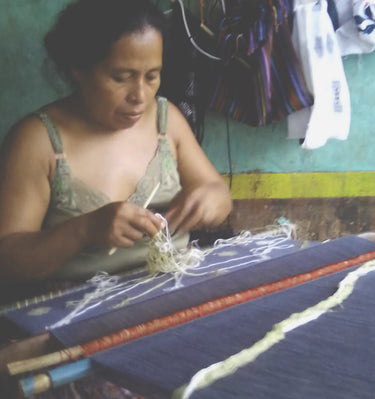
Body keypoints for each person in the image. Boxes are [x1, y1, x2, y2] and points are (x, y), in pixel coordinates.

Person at [0, 0, 232, 288]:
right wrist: (83, 231)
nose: (140, 96)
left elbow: (218, 194)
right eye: (121, 78)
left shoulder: (166, 120)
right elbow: (8, 260)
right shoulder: (37, 141)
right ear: (79, 69)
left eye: (152, 76)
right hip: (75, 310)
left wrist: (211, 199)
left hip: (171, 290)